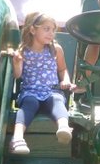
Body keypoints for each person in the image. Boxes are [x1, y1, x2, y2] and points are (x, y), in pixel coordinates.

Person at [8, 12, 75, 154]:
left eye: (53, 30)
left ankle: (63, 128)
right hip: (30, 91)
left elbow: (62, 69)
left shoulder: (55, 49)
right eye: (46, 29)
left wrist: (65, 80)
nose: (51, 33)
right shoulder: (23, 51)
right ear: (33, 30)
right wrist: (17, 63)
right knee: (29, 103)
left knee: (57, 100)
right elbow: (17, 75)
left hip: (51, 90)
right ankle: (17, 138)